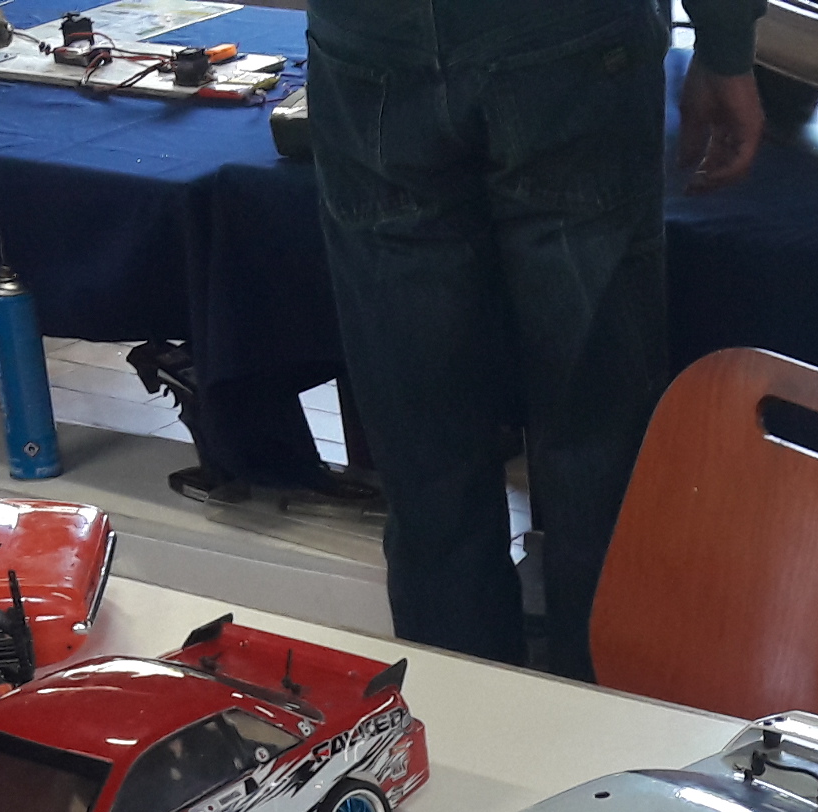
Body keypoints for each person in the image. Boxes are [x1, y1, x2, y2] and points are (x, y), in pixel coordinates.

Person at [307, 0, 765, 677]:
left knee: (426, 452)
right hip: (568, 43)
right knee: (597, 446)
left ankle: (466, 710)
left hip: (373, 43)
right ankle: (601, 720)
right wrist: (726, 46)